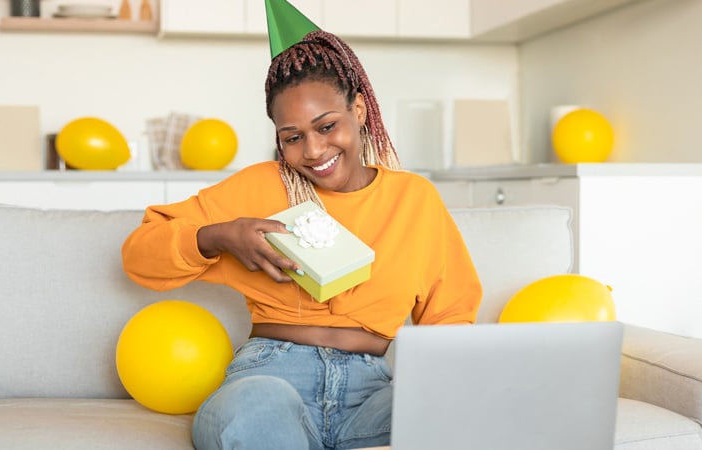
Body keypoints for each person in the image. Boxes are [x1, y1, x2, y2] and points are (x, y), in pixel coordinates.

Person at [121, 1, 482, 448]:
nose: (312, 151)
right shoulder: (258, 187)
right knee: (251, 408)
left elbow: (450, 316)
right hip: (270, 377)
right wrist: (220, 236)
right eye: (292, 138)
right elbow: (139, 254)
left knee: (465, 411)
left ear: (360, 110)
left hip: (370, 392)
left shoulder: (414, 199)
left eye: (327, 126)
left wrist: (444, 393)